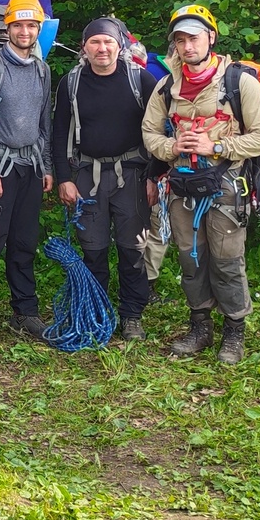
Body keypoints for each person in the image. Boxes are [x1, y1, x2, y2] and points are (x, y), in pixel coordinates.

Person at [141, 4, 260, 365]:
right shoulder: (166, 87)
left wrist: (216, 146)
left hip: (227, 184)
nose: (187, 46)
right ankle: (200, 326)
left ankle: (234, 331)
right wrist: (172, 147)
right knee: (191, 258)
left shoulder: (239, 83)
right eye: (180, 40)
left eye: (194, 38)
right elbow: (149, 133)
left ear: (211, 38)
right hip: (182, 186)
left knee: (227, 260)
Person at [51, 17, 160, 342]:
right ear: (84, 47)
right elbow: (59, 133)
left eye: (108, 42)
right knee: (93, 249)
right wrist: (64, 178)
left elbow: (159, 130)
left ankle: (132, 315)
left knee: (133, 249)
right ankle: (97, 312)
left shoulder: (140, 79)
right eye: (95, 42)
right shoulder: (71, 84)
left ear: (119, 45)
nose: (102, 48)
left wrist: (154, 176)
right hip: (88, 174)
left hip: (133, 175)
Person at [0, 0, 54, 346]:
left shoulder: (42, 69)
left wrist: (46, 165)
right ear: (7, 28)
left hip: (30, 166)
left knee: (24, 242)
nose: (25, 31)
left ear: (38, 29)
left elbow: (44, 120)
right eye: (18, 25)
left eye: (31, 25)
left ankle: (25, 311)